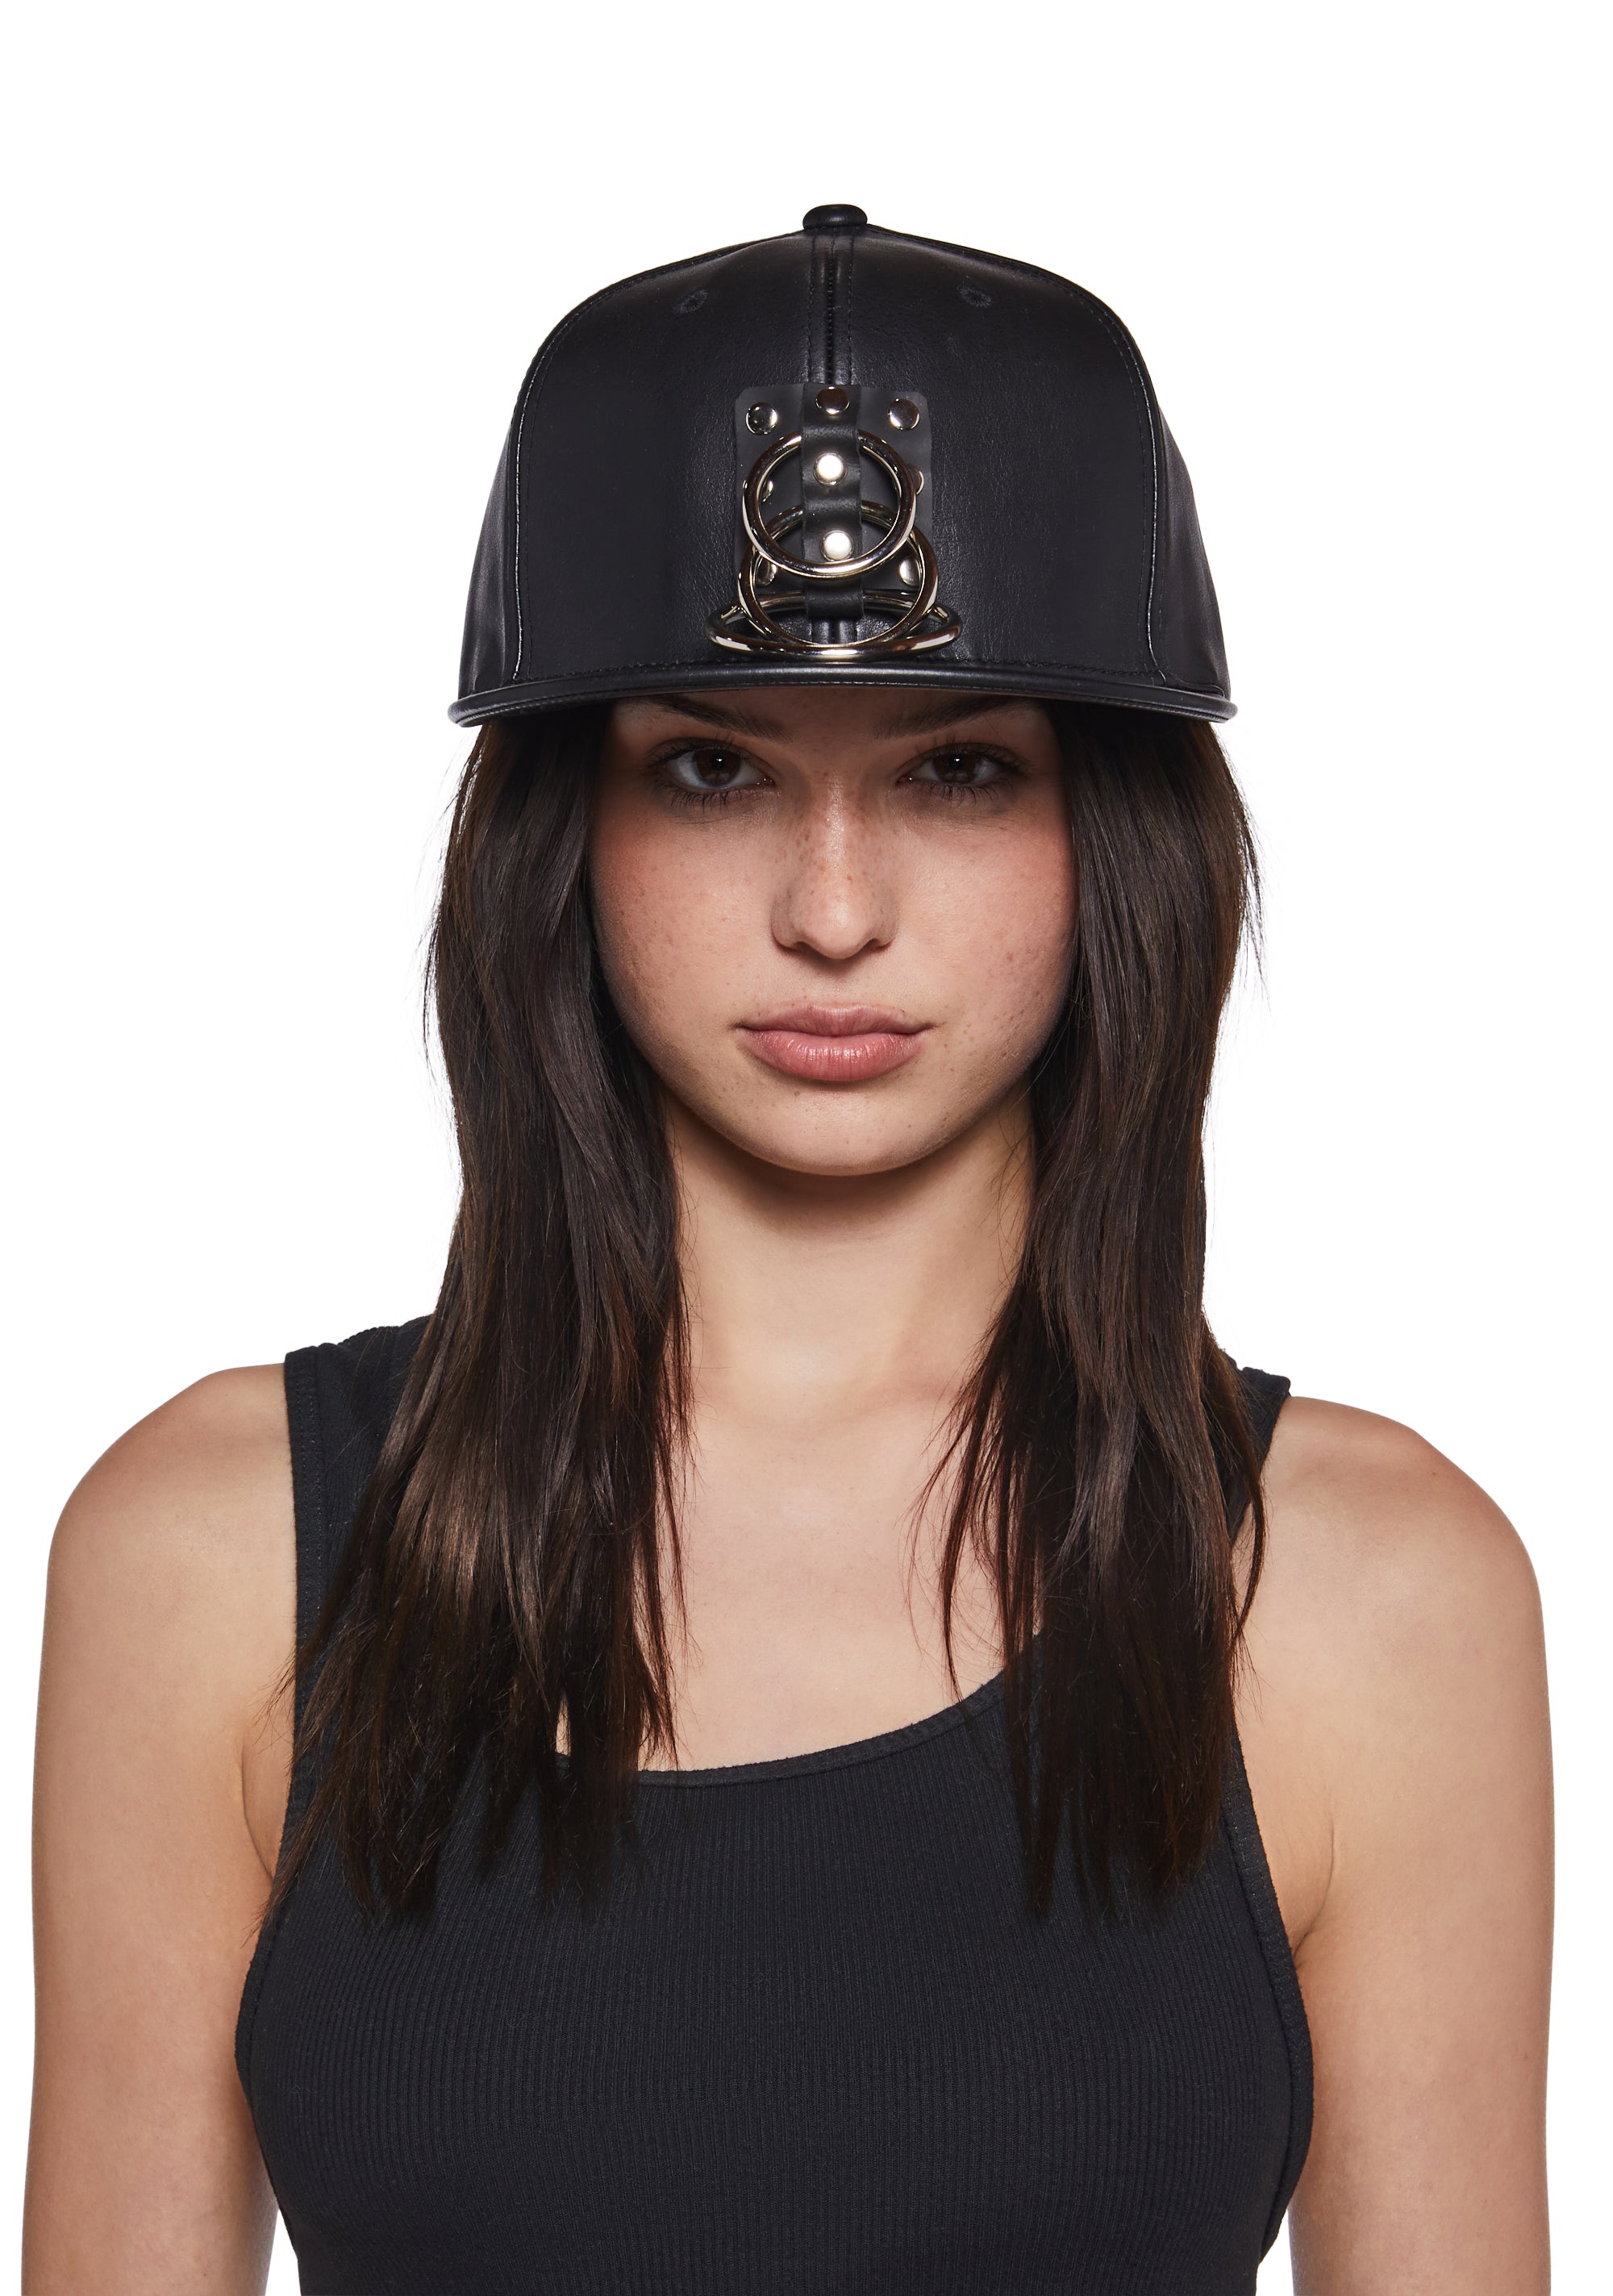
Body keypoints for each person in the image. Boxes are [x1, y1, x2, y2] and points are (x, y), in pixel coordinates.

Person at [25, 209, 1551, 2294]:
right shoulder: (214, 1563)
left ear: (1118, 836)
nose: (835, 910)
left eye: (960, 769)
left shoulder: (1369, 1597)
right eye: (715, 768)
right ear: (566, 829)